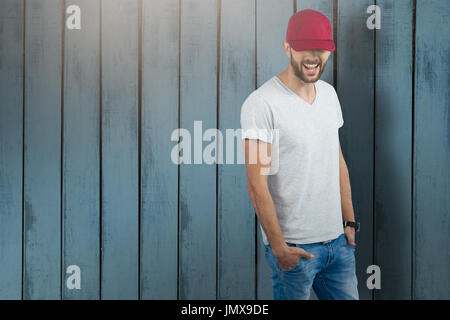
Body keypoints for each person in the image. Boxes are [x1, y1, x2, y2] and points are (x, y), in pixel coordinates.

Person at [240, 9, 360, 300]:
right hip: (295, 250)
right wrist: (280, 248)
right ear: (287, 47)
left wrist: (349, 223)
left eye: (322, 48)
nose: (313, 56)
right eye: (305, 47)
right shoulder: (262, 103)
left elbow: (338, 160)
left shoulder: (330, 95)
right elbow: (257, 184)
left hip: (338, 244)